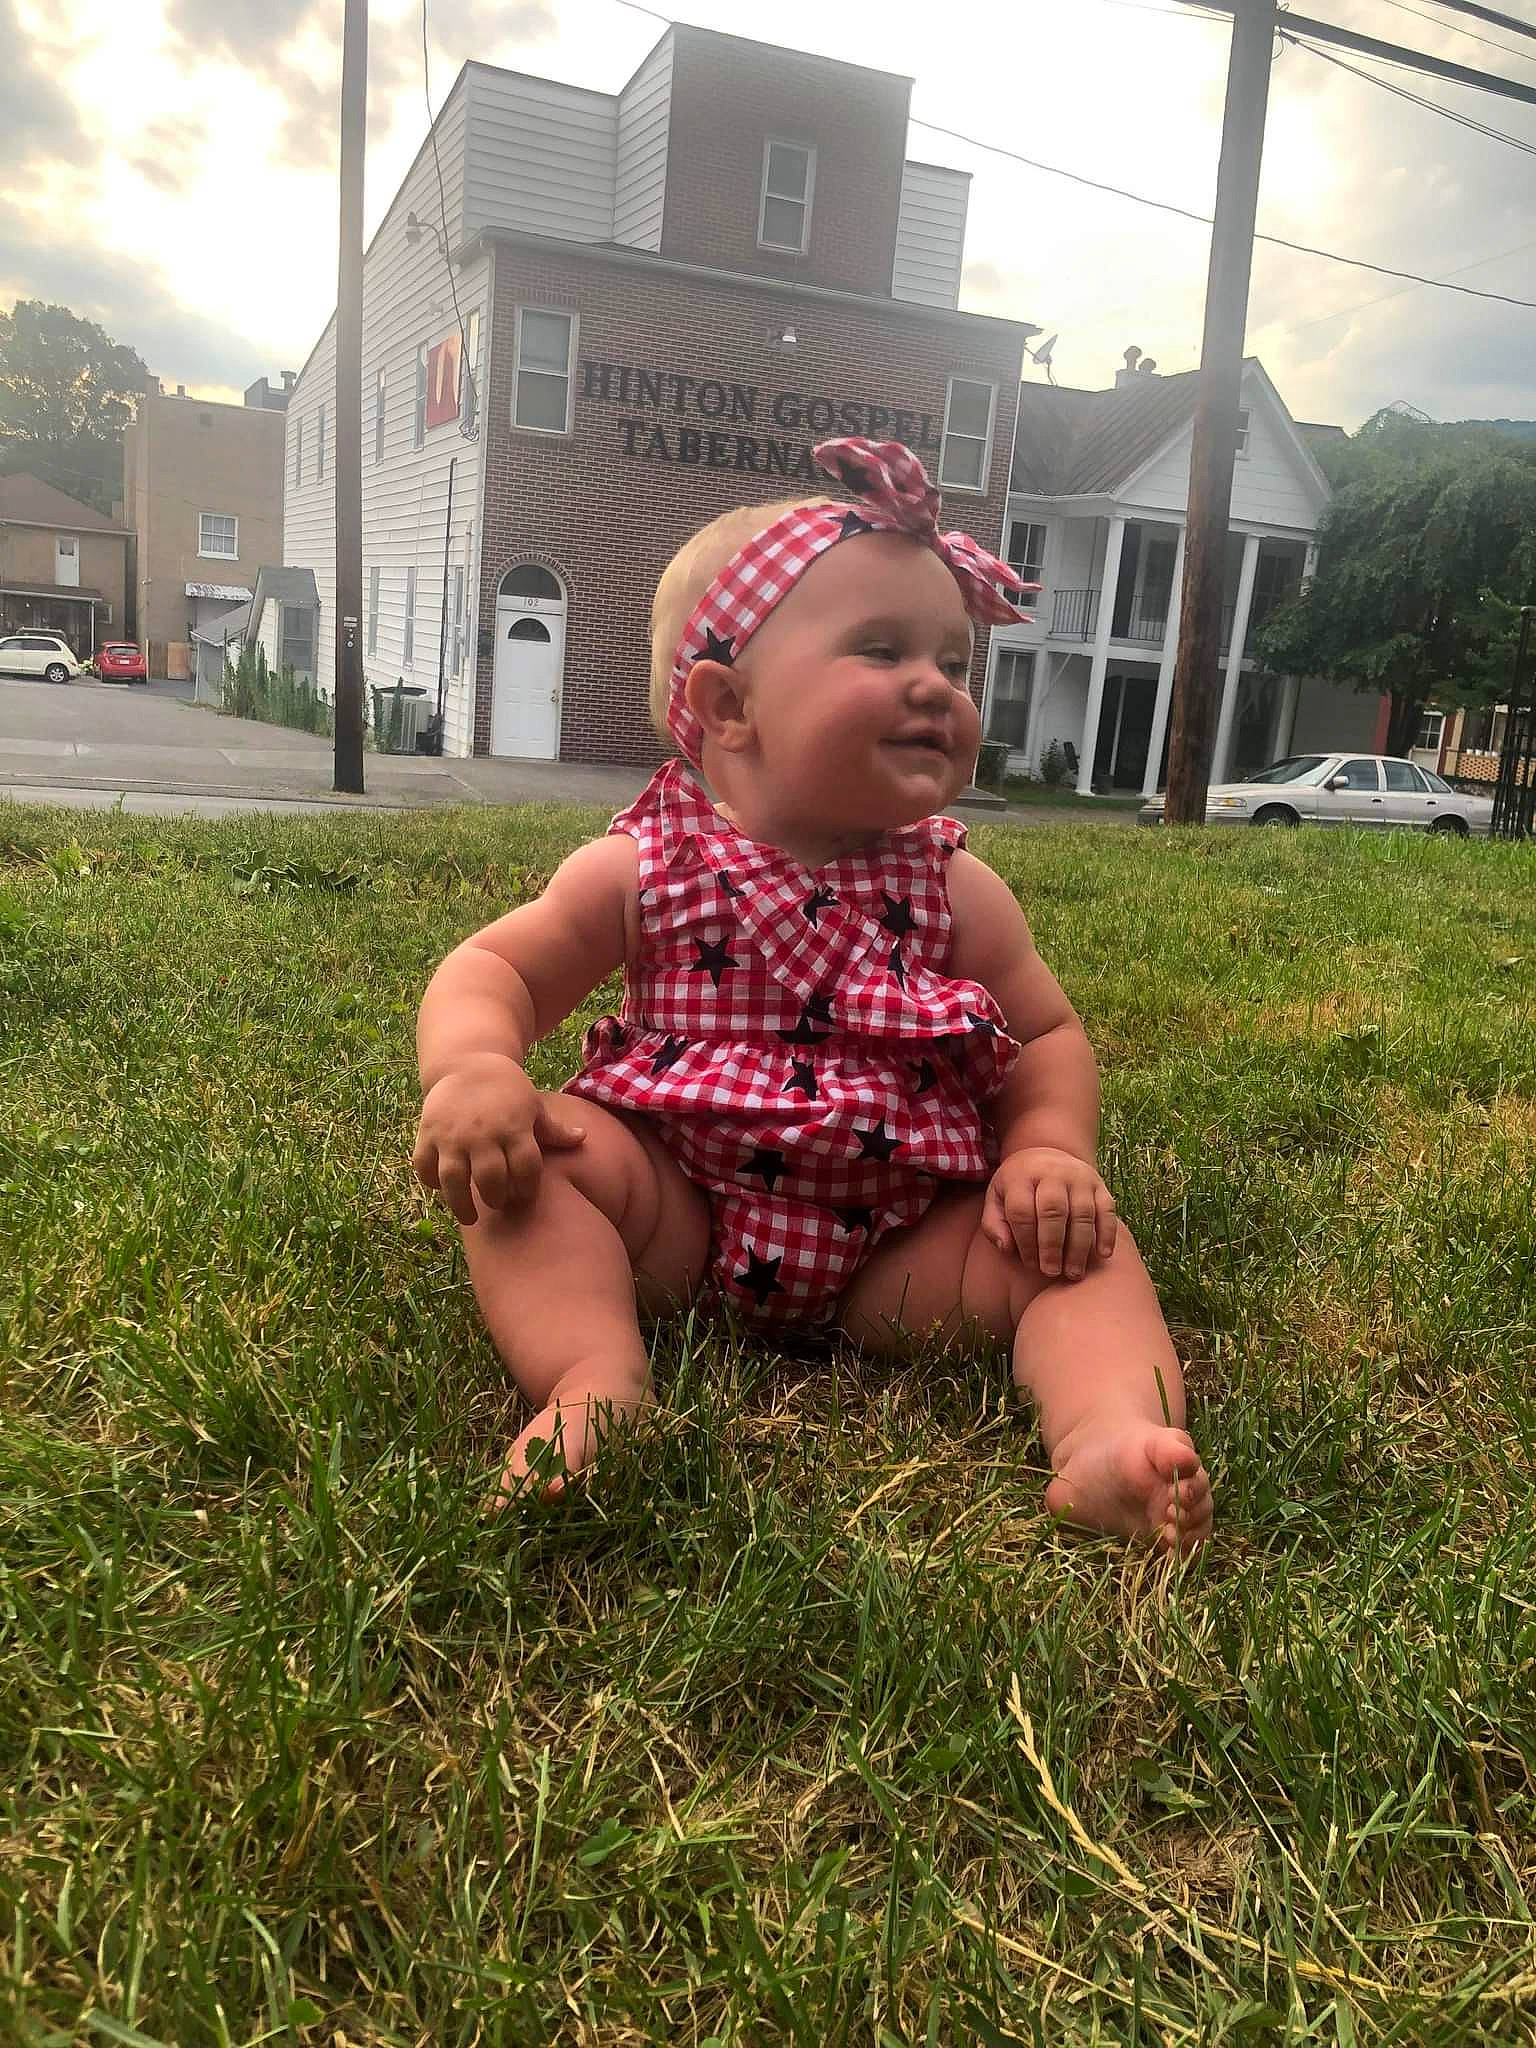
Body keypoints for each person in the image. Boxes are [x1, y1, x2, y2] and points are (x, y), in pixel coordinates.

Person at [413, 438, 1211, 1552]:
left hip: (898, 1250)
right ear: (728, 704)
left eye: (953, 660)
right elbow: (494, 968)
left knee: (1073, 1244)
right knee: (537, 1167)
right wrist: (478, 1070)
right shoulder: (643, 869)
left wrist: (1050, 1151)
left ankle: (1107, 1434)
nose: (935, 684)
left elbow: (1046, 1031)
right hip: (676, 1216)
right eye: (880, 649)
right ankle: (593, 1377)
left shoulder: (952, 885)